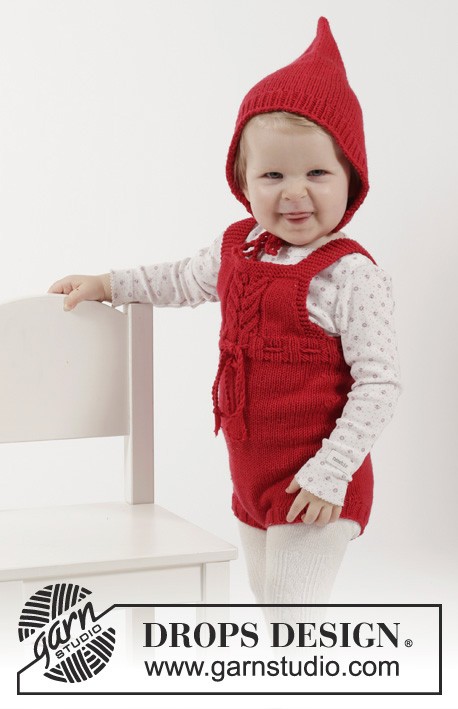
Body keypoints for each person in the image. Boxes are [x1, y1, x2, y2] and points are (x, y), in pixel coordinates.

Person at [48, 18, 401, 627]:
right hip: (250, 477)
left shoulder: (350, 276)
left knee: (296, 621)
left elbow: (379, 384)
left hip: (316, 482)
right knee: (270, 609)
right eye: (273, 175)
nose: (295, 194)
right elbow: (181, 279)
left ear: (352, 180)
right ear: (242, 181)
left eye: (318, 173)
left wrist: (331, 471)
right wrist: (109, 284)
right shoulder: (237, 247)